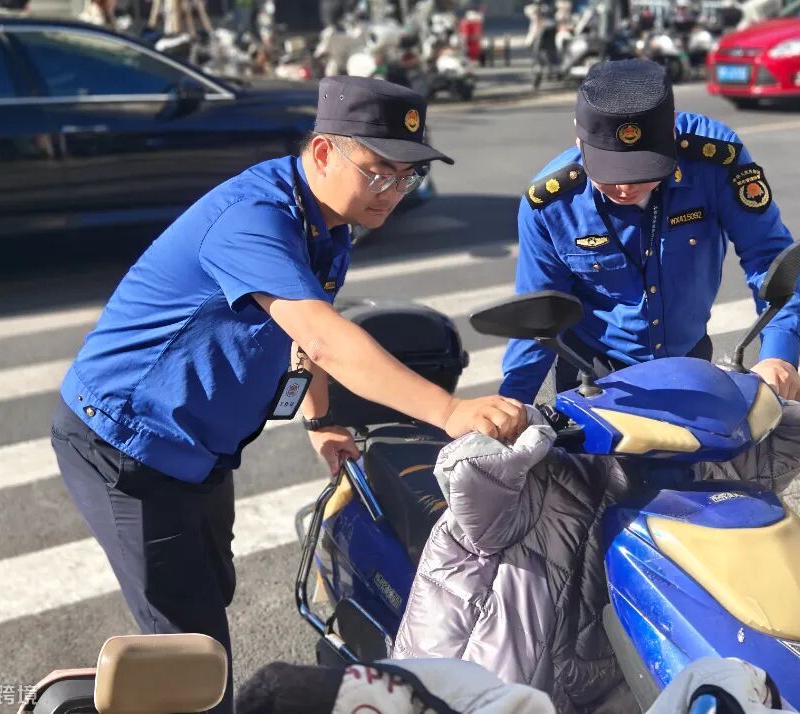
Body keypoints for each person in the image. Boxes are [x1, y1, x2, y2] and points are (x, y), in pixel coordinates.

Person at [49, 76, 527, 714]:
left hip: (198, 447)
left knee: (209, 594)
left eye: (408, 176)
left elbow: (302, 338)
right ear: (324, 152)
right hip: (125, 444)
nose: (393, 191)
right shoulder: (254, 218)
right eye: (379, 172)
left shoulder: (327, 222)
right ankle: (87, 699)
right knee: (190, 645)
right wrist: (450, 411)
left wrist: (320, 421)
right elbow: (325, 337)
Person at [500, 59, 800, 404]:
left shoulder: (714, 161)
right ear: (579, 137)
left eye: (641, 172)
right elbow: (541, 314)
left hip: (689, 361)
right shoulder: (552, 204)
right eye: (608, 173)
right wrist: (512, 404)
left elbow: (767, 255)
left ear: (672, 134)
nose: (624, 188)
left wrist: (779, 354)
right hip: (592, 373)